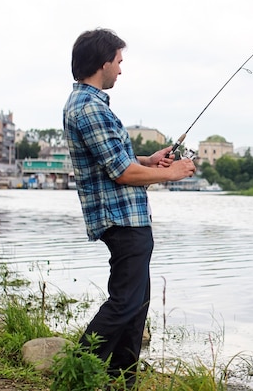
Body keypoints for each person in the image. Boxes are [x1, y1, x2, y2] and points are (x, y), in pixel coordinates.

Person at [63, 28, 196, 385]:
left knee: (136, 306)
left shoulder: (88, 106)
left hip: (128, 219)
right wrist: (173, 174)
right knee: (125, 303)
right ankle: (76, 375)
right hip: (121, 220)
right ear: (103, 62)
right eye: (119, 62)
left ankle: (119, 381)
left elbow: (112, 159)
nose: (120, 70)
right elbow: (120, 173)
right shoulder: (89, 108)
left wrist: (150, 160)